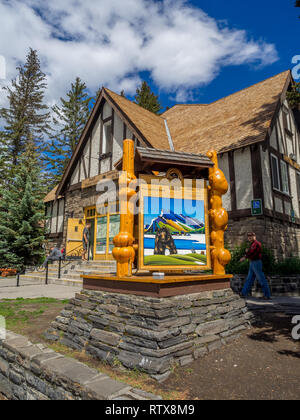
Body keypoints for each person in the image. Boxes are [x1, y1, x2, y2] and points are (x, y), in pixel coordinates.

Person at [239, 232, 271, 300]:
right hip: (252, 263)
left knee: (261, 279)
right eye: (248, 236)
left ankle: (267, 295)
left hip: (256, 263)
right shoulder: (253, 244)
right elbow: (251, 252)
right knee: (249, 279)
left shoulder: (256, 244)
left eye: (251, 236)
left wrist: (245, 256)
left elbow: (252, 253)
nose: (250, 237)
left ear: (254, 236)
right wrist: (248, 251)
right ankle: (243, 293)